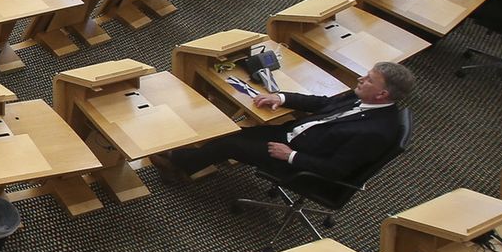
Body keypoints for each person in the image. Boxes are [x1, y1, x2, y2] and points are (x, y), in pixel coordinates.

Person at [157, 62, 414, 183]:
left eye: (369, 79)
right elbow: (322, 103)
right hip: (294, 135)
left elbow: (338, 171)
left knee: (230, 141)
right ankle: (199, 157)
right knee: (236, 130)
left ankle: (178, 163)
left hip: (298, 159)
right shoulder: (364, 98)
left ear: (383, 95)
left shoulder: (376, 133)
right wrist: (280, 97)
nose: (360, 79)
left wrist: (291, 156)